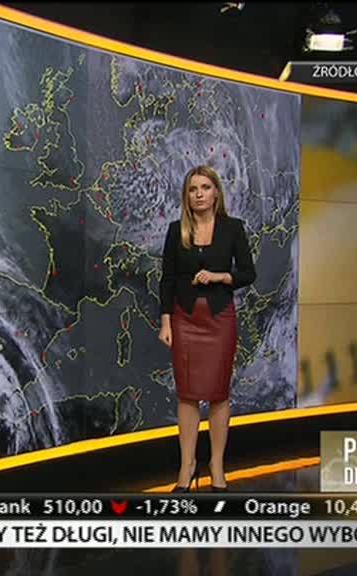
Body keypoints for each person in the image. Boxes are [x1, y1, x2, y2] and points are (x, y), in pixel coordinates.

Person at [158, 165, 255, 492]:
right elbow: (167, 279)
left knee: (218, 394)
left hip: (219, 320)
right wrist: (166, 321)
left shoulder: (232, 228)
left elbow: (248, 273)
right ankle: (186, 466)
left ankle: (216, 464)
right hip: (184, 320)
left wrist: (220, 276)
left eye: (205, 187)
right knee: (187, 396)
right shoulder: (176, 230)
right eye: (192, 189)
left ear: (216, 193)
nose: (198, 194)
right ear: (187, 196)